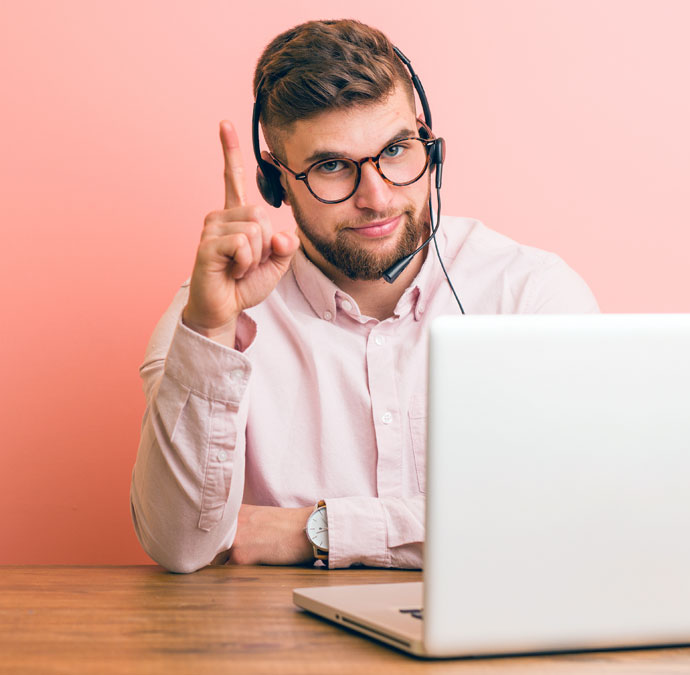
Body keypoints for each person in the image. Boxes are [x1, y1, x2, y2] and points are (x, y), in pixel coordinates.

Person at [130, 19, 599, 574]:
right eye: (332, 166)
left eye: (397, 150)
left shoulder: (529, 294)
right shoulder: (212, 310)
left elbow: (580, 518)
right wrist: (210, 332)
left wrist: (318, 530)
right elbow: (181, 546)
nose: (377, 198)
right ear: (276, 181)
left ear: (430, 144)